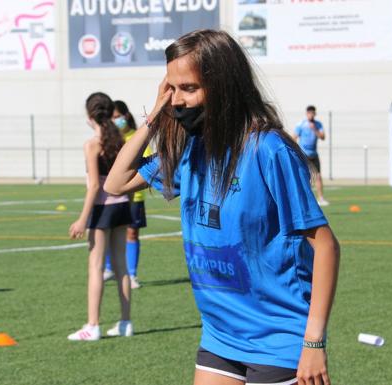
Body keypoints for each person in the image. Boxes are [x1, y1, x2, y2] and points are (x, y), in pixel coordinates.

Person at [105, 29, 340, 385]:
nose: (178, 100)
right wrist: (155, 114)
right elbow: (116, 182)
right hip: (220, 334)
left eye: (189, 88)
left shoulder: (267, 149)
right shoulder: (190, 149)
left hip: (278, 338)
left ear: (224, 86)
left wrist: (314, 341)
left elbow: (325, 245)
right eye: (172, 88)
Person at [67, 92, 134, 341]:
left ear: (90, 114)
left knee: (96, 267)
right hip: (122, 205)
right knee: (121, 267)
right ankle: (126, 322)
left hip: (103, 208)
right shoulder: (120, 139)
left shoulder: (92, 143)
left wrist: (82, 219)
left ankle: (93, 325)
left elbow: (94, 186)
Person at [102, 100, 153, 289]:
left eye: (118, 117)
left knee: (131, 234)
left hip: (134, 197)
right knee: (108, 231)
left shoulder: (136, 137)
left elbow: (145, 164)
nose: (116, 121)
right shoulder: (107, 139)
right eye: (112, 118)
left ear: (126, 115)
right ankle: (109, 268)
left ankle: (132, 274)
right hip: (110, 196)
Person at [292, 105, 329, 206]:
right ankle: (304, 199)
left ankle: (320, 199)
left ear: (315, 114)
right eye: (309, 113)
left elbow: (323, 137)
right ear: (306, 113)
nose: (311, 115)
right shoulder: (301, 125)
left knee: (318, 176)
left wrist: (315, 130)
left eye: (312, 113)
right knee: (305, 177)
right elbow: (294, 137)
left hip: (314, 155)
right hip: (304, 155)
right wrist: (295, 151)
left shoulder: (318, 124)